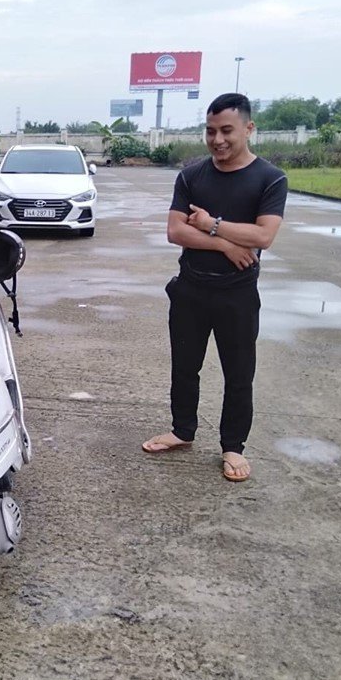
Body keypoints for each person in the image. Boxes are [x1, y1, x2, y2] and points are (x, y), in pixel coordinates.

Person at [141, 93, 287, 482]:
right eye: (210, 131)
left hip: (238, 294)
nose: (217, 140)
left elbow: (264, 235)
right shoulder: (191, 176)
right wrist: (224, 243)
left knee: (239, 373)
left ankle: (233, 447)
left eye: (226, 131)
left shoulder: (270, 178)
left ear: (248, 129)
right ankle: (182, 430)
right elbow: (175, 231)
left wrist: (210, 224)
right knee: (184, 366)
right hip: (190, 289)